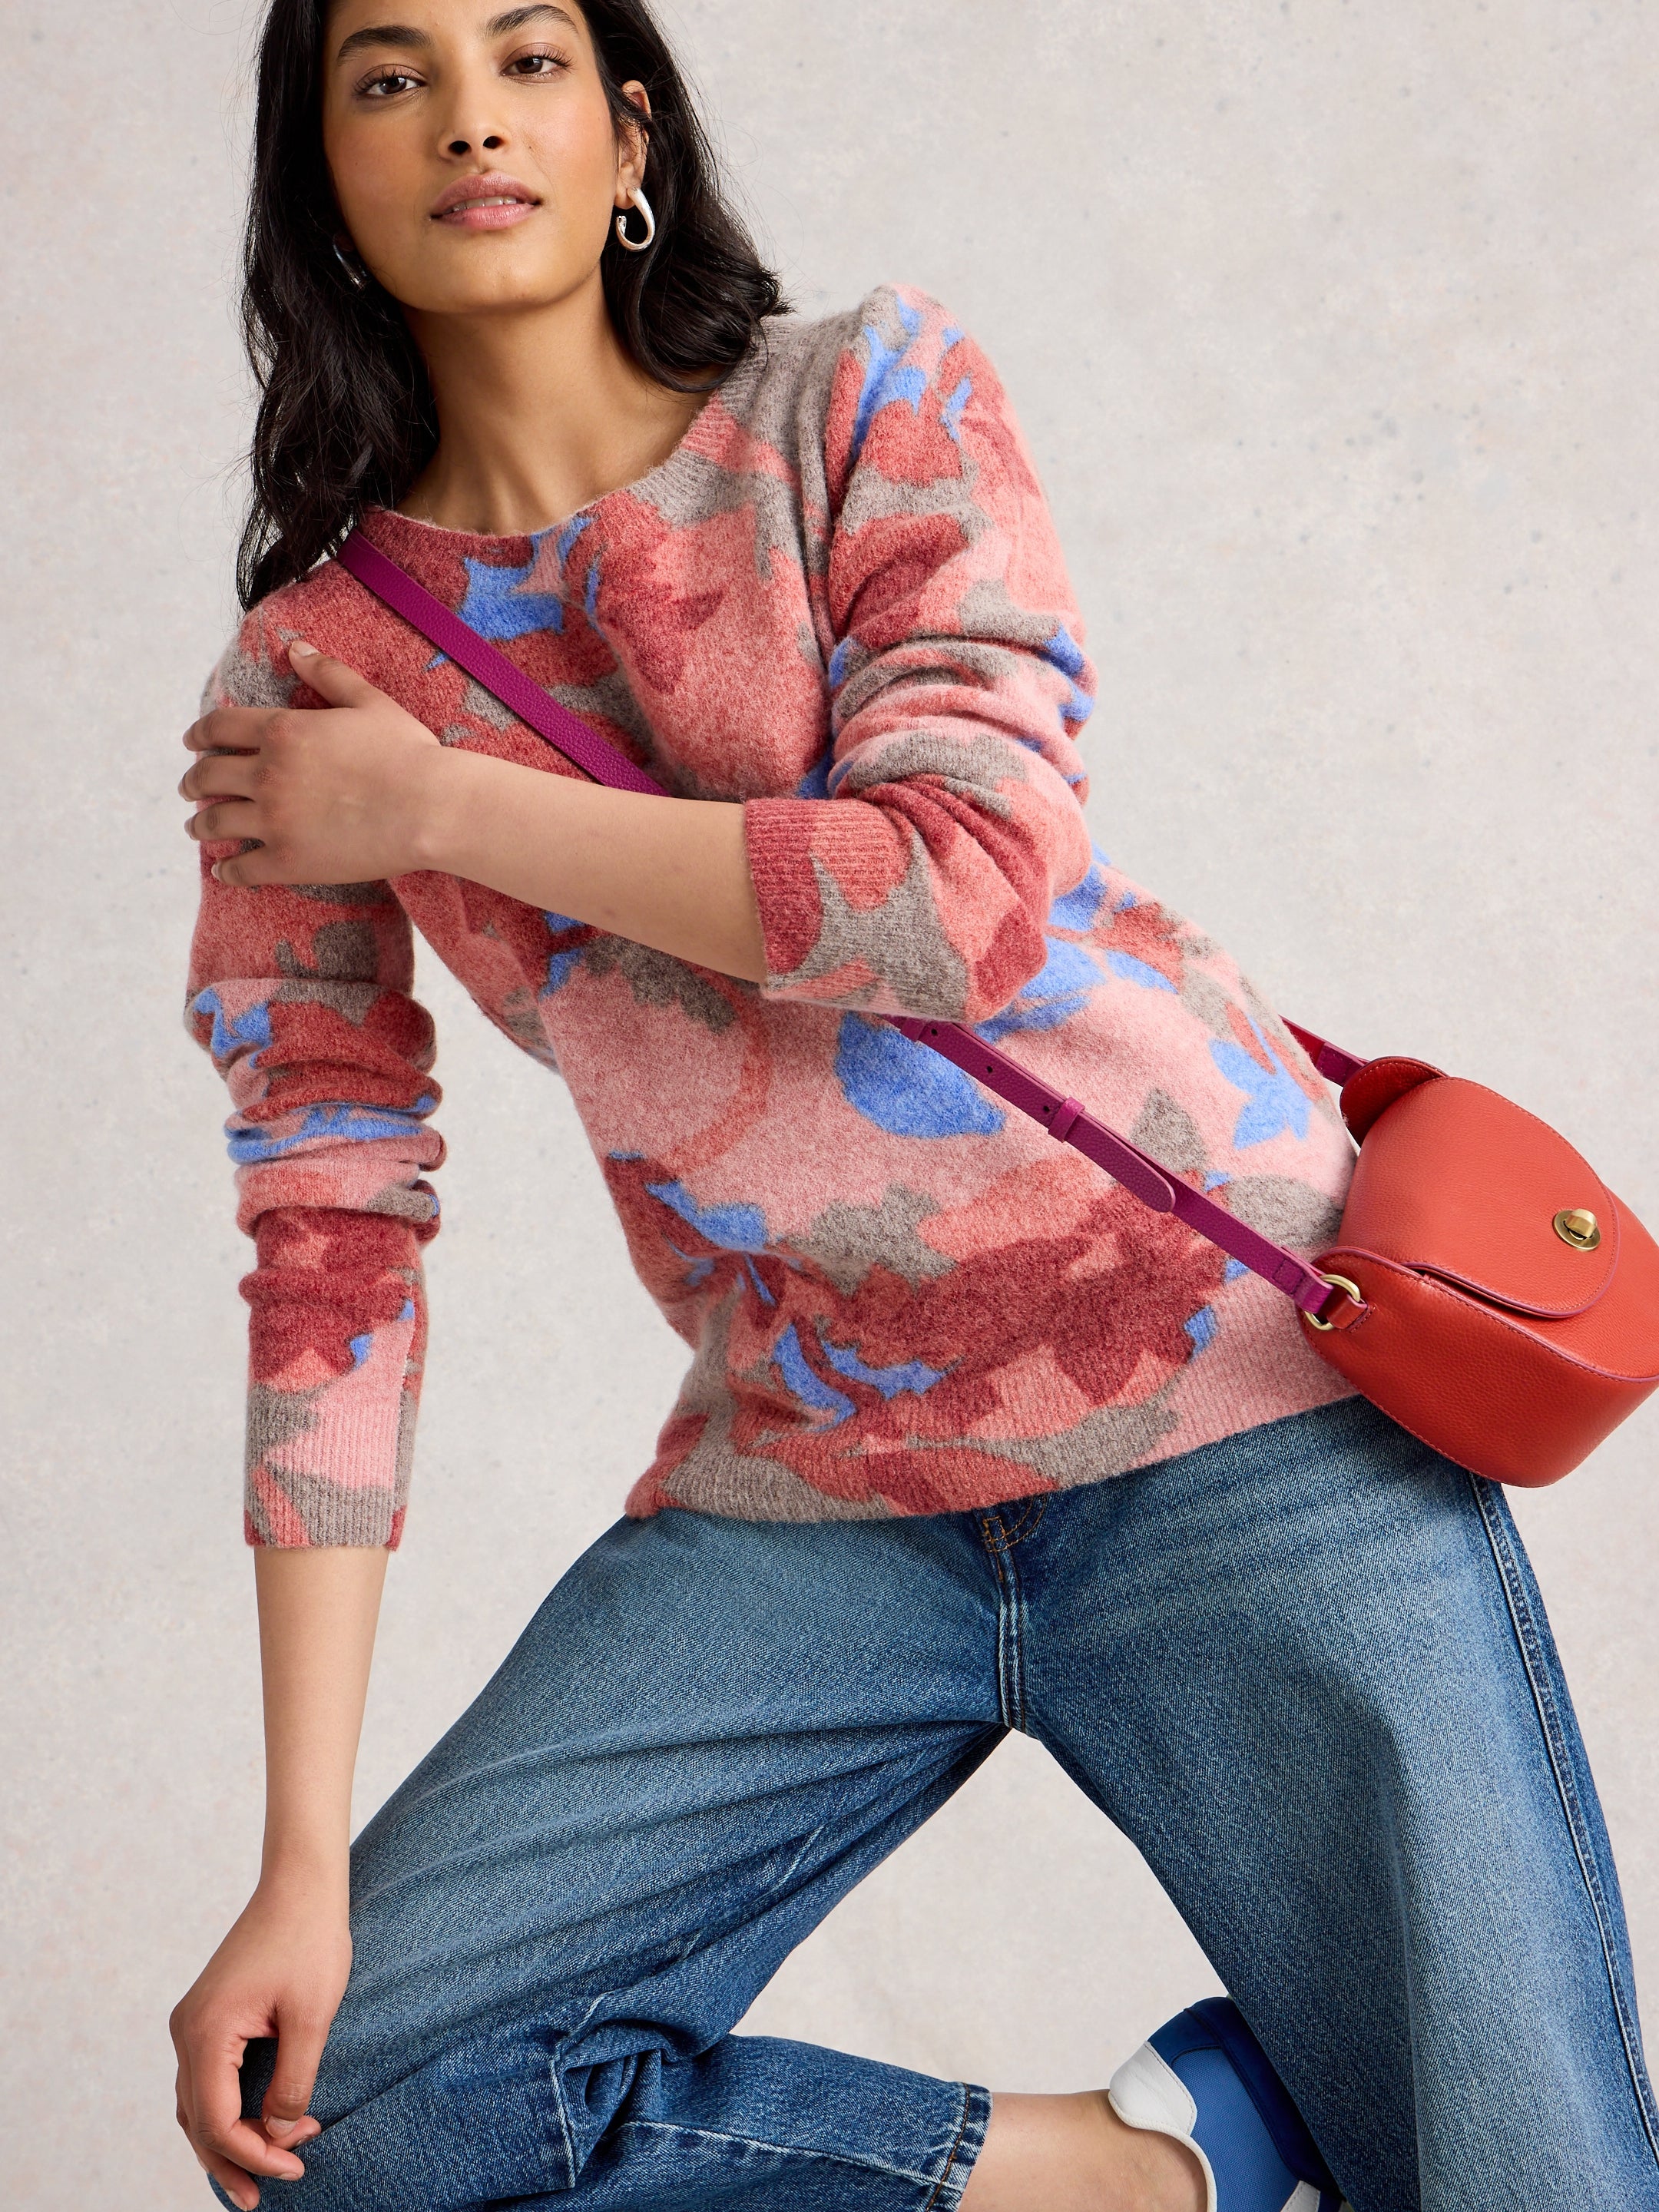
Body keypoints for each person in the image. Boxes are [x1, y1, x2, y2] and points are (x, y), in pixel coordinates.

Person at [167, 3, 1659, 2208]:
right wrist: (299, 1855)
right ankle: (1167, 2172)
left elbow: (948, 898)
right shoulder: (303, 691)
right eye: (390, 75)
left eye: (529, 55)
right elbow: (326, 1229)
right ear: (325, 174)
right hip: (814, 1478)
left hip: (1234, 1399)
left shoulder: (863, 397)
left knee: (1534, 2178)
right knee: (362, 2110)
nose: (470, 111)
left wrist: (441, 801)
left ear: (625, 132)